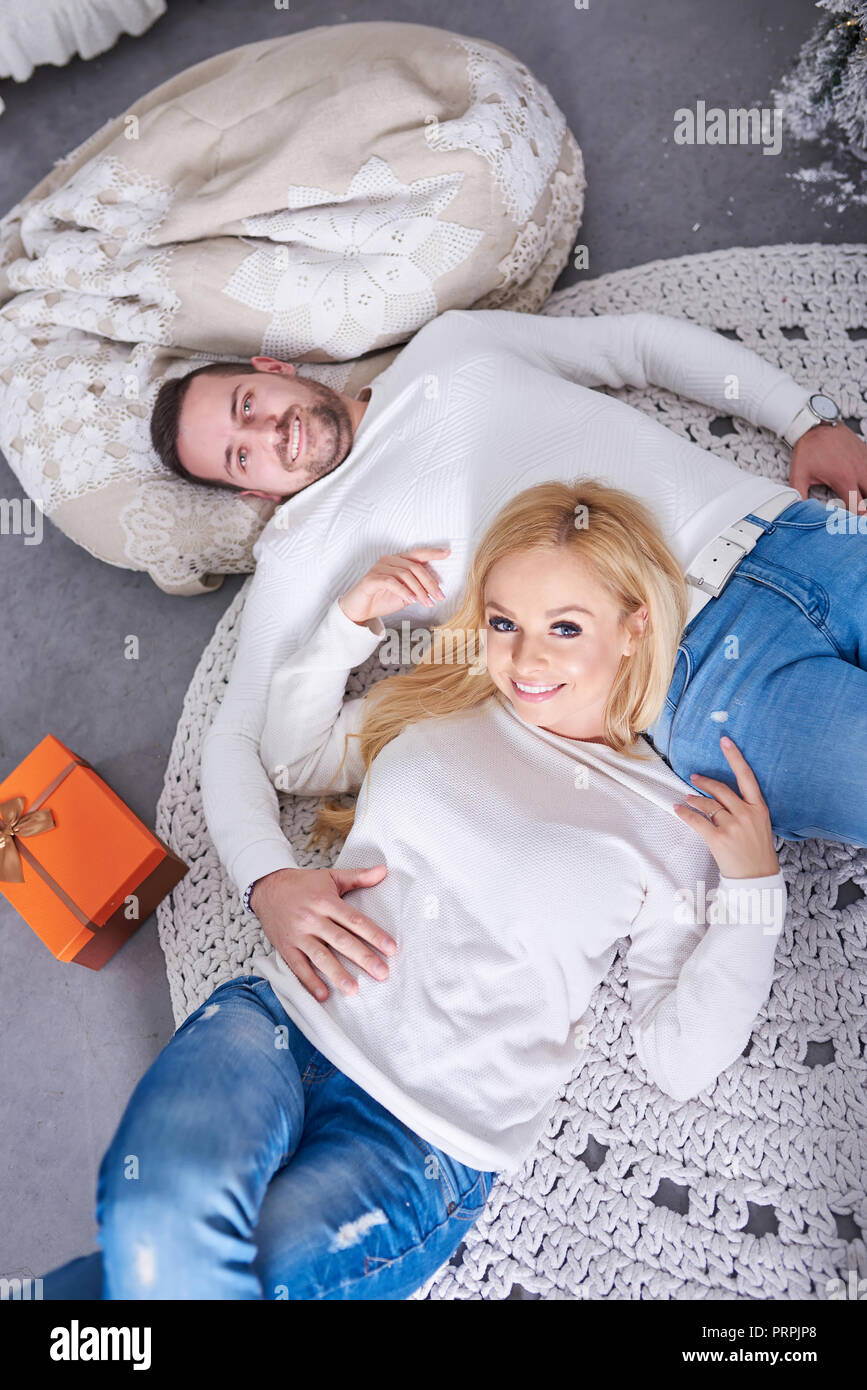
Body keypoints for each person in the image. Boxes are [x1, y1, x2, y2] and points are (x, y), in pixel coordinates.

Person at [41, 480, 787, 1300]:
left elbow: (679, 1060)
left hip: (421, 1135)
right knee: (165, 1211)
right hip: (281, 1026)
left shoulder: (668, 824)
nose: (525, 659)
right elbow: (286, 756)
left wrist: (754, 892)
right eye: (503, 623)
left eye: (564, 628)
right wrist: (344, 623)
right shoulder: (438, 708)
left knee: (217, 1287)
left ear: (633, 624)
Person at [147, 307, 866, 1005]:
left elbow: (635, 346)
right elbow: (239, 736)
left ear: (271, 368)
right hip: (702, 677)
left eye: (248, 404)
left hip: (790, 528)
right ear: (251, 489)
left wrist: (808, 418)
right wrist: (266, 880)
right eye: (242, 454)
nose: (272, 434)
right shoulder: (299, 547)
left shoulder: (450, 344)